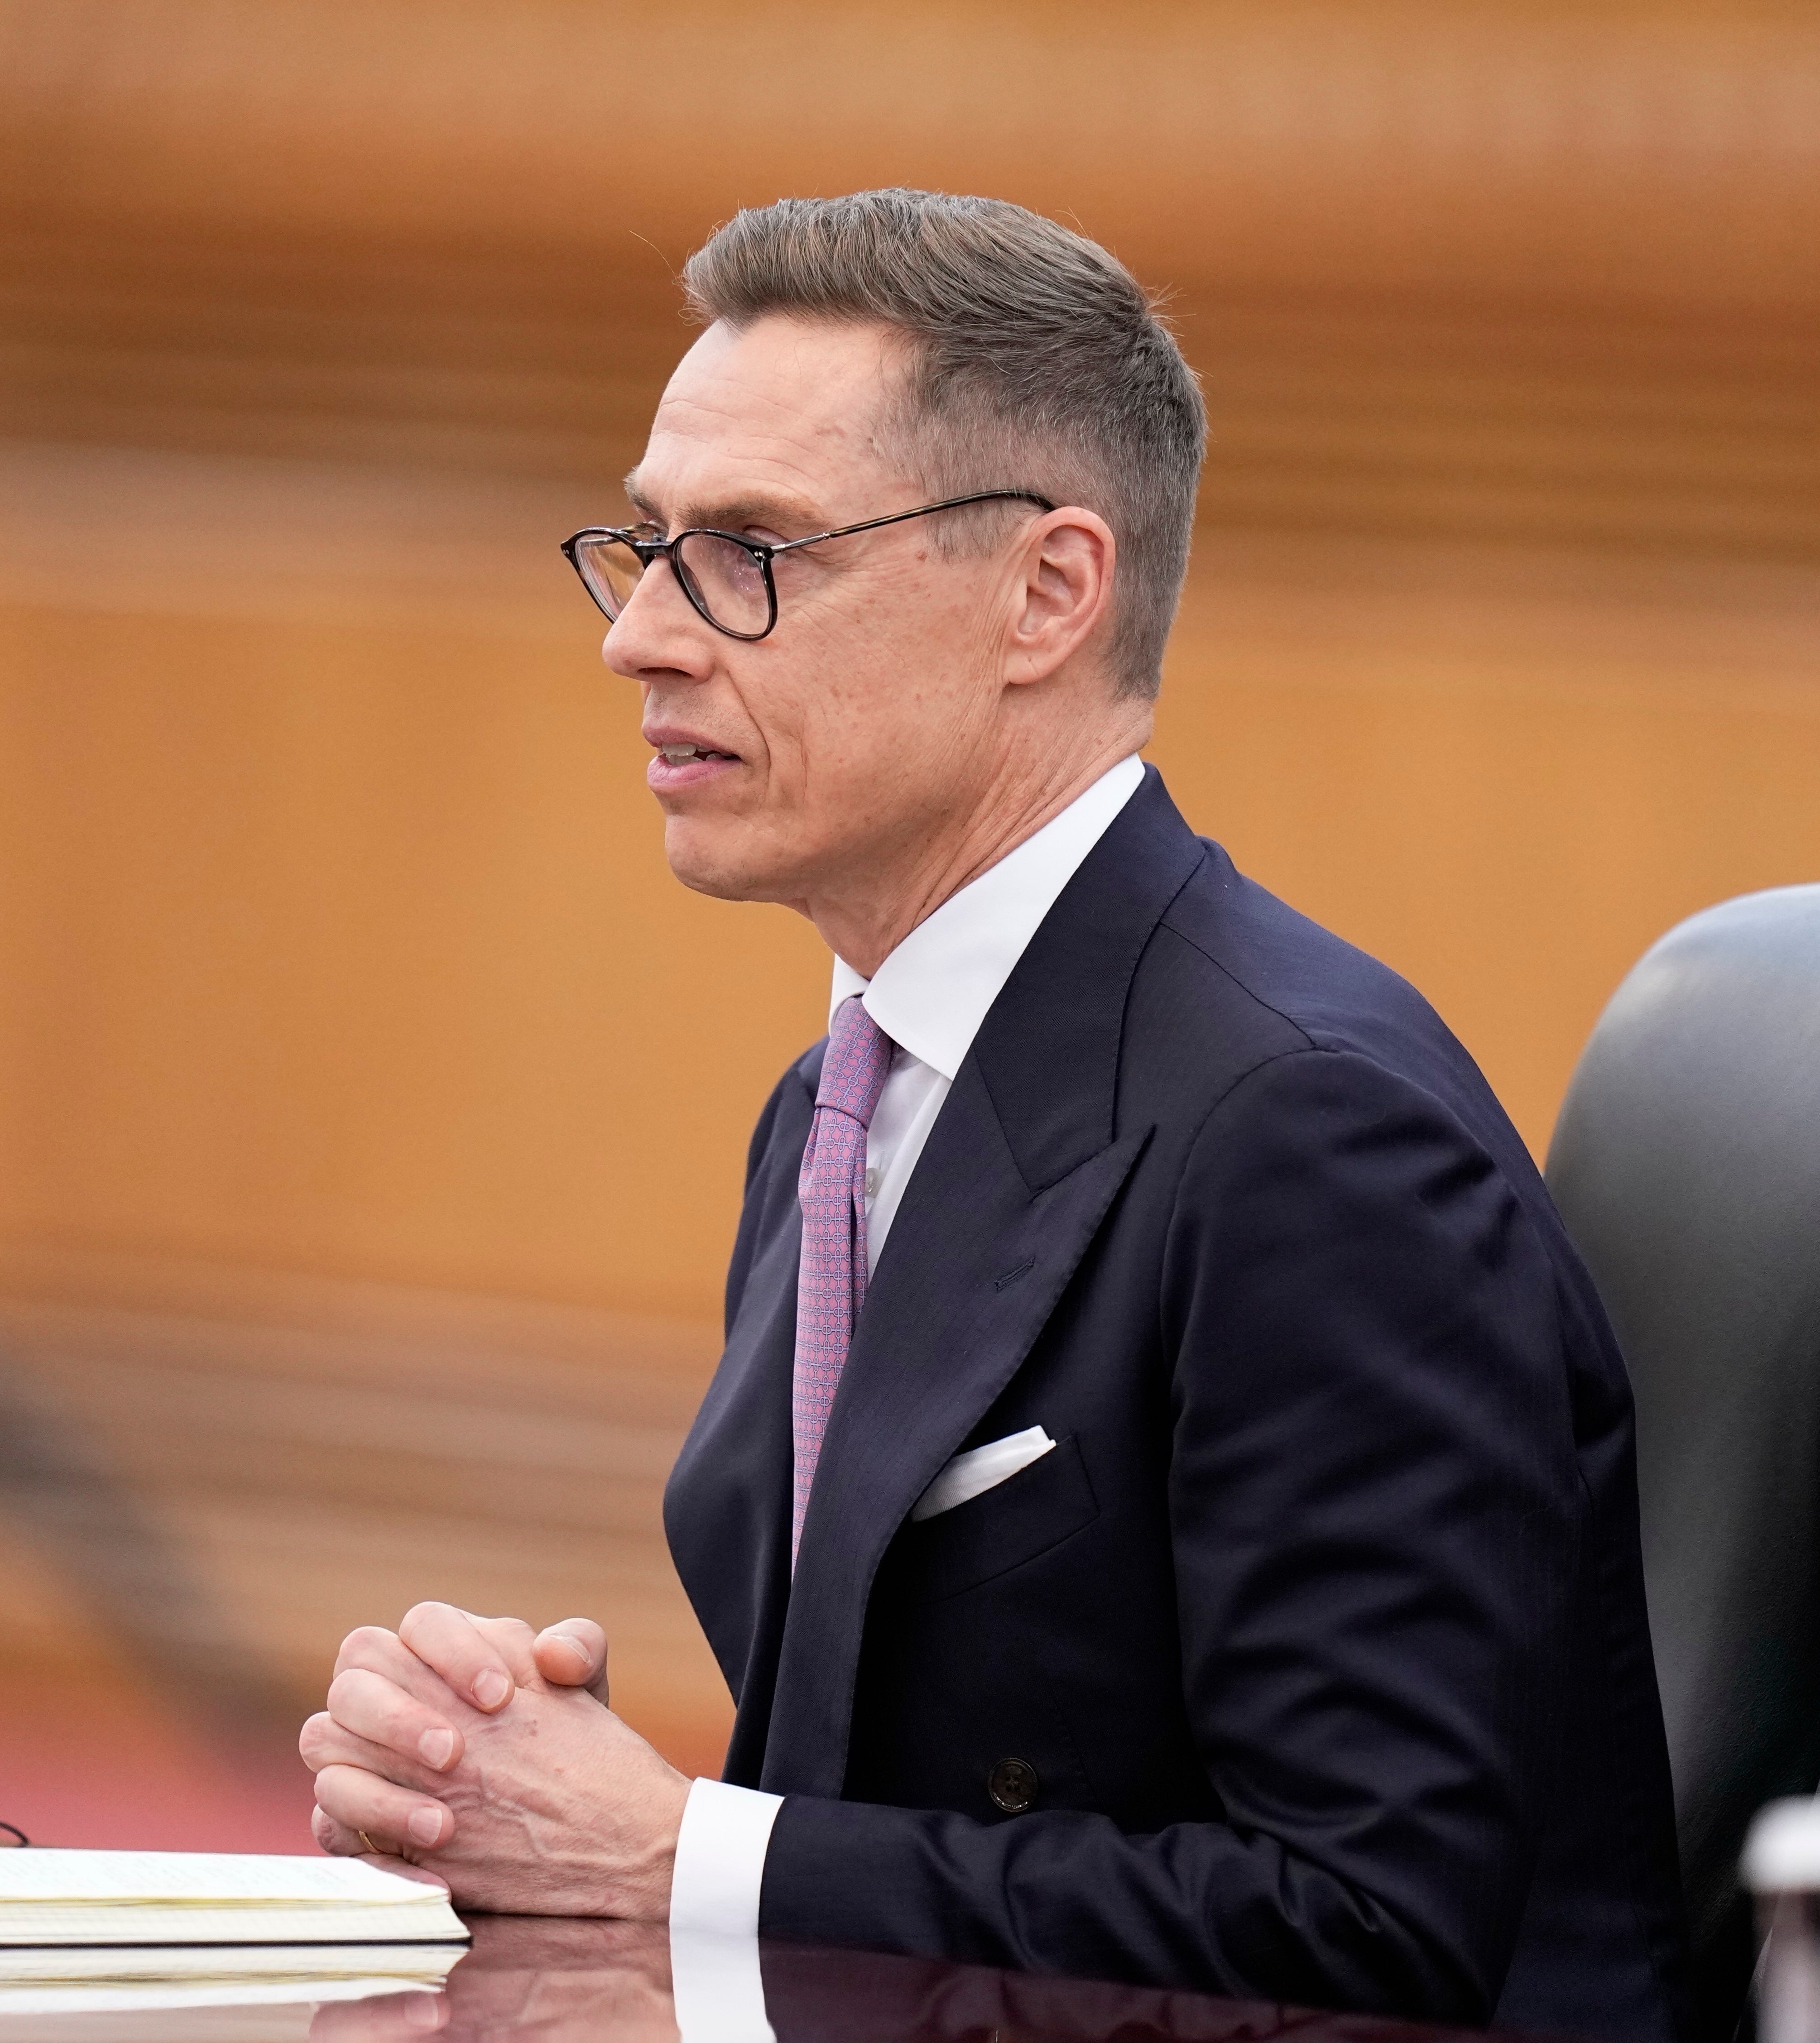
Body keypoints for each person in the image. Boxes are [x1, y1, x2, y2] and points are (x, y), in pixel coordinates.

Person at [300, 188, 1684, 2038]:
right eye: (642, 547)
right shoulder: (845, 1096)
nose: (640, 638)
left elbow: (1374, 1931)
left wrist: (678, 1858)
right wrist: (531, 1786)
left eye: (750, 553)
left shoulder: (1314, 1140)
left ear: (1047, 593)